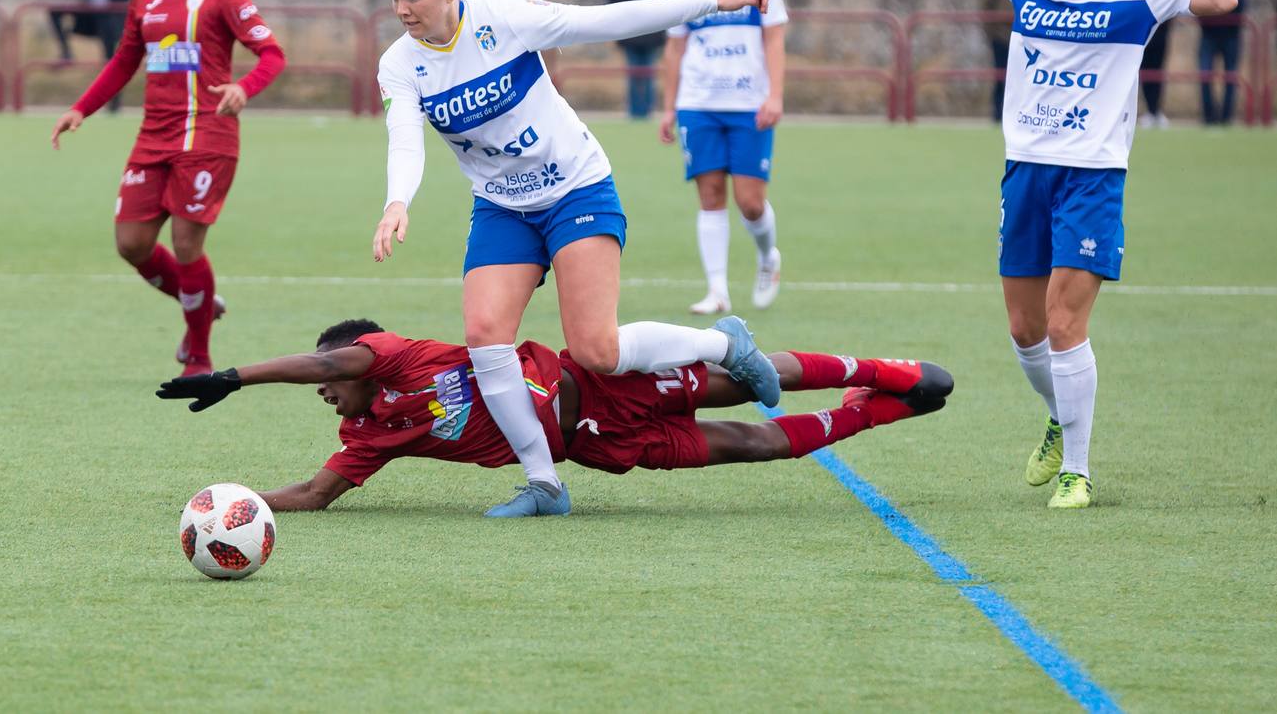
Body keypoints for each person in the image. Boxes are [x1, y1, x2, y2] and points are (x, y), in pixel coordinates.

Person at [372, 0, 783, 518]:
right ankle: (545, 485)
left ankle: (725, 343)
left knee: (596, 349)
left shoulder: (505, 20)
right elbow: (405, 140)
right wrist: (397, 202)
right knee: (486, 333)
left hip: (577, 190)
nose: (402, 11)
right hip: (501, 206)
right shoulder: (399, 64)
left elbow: (607, 19)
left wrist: (711, 3)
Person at [955, 0, 1236, 508]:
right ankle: (1060, 416)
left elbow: (1220, 0)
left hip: (1092, 173)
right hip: (1025, 168)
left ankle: (1075, 470)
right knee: (1024, 331)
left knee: (1062, 324)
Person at [155, 318, 955, 512]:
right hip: (591, 445)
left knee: (741, 380)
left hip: (592, 385)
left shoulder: (391, 355)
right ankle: (880, 412)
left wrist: (235, 375)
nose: (325, 394)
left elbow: (324, 363)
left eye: (331, 381)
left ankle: (888, 372)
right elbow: (318, 493)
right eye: (322, 393)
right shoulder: (367, 433)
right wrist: (237, 507)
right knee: (752, 446)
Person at [50, 0, 286, 377]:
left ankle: (198, 356)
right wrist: (82, 107)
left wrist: (243, 88)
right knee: (131, 244)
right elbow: (124, 61)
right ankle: (197, 299)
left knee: (184, 243)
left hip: (207, 134)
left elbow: (271, 54)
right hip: (153, 136)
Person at [657, 0, 788, 315]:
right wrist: (669, 106)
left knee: (749, 202)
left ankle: (768, 257)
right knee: (710, 194)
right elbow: (675, 48)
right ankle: (717, 291)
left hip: (749, 104)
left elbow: (774, 38)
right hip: (699, 104)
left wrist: (775, 95)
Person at [608, 0, 671, 119]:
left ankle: (647, 111)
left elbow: (668, 1)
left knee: (649, 75)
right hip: (629, 34)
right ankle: (634, 113)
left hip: (653, 35)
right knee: (633, 75)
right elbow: (613, 0)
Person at [1196, 0, 1246, 126]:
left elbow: (1239, 7)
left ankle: (1226, 117)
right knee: (1205, 74)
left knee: (1230, 76)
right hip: (1208, 35)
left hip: (1230, 37)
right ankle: (1209, 116)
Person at [983, 0, 1024, 123]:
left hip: (1024, 39)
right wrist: (993, 33)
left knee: (1024, 79)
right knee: (1001, 76)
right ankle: (998, 115)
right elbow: (986, 8)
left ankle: (1020, 117)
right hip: (1001, 38)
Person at [1138, 0, 1173, 129]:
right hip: (1142, 37)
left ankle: (1156, 111)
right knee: (1143, 74)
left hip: (1161, 37)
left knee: (1158, 74)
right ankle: (1149, 112)